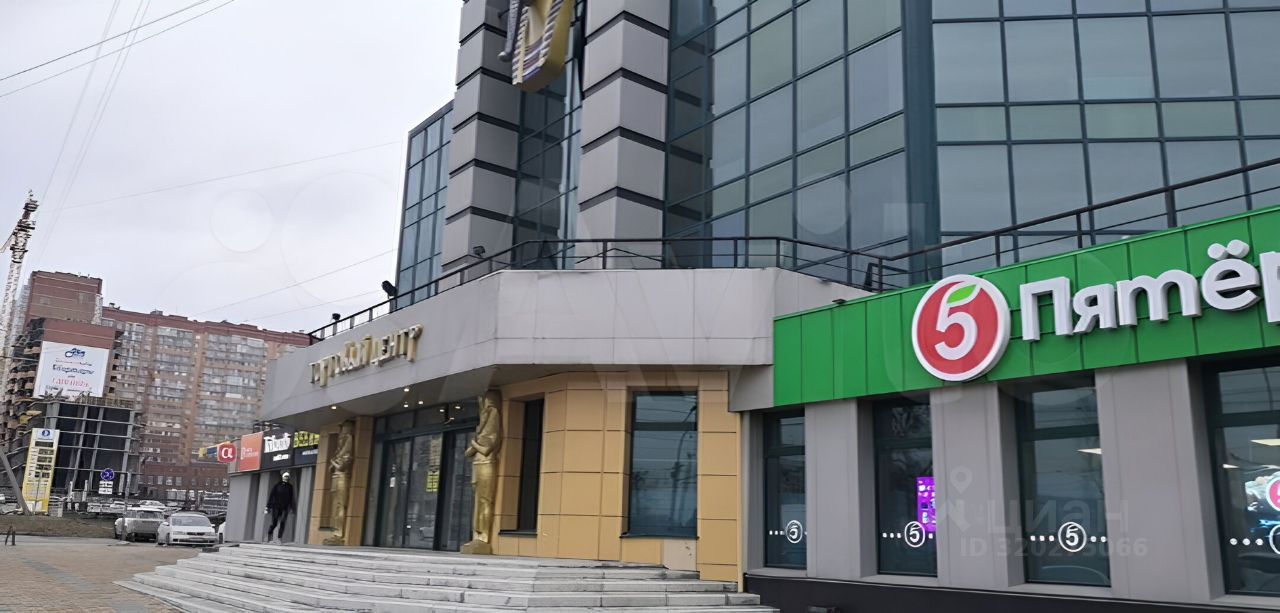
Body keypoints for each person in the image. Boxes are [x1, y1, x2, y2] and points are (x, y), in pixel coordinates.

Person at [265, 472, 295, 544]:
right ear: (282, 477)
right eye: (285, 476)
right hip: (276, 507)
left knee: (282, 522)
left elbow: (291, 498)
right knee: (274, 523)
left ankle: (279, 538)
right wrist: (267, 507)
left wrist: (292, 508)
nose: (286, 478)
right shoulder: (277, 485)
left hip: (285, 507)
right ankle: (269, 536)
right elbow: (271, 496)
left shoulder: (290, 487)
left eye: (287, 477)